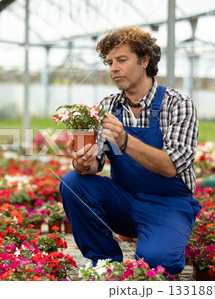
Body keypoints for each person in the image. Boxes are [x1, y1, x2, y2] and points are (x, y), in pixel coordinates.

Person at [59, 27, 202, 276]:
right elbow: (96, 163)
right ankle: (105, 262)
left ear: (144, 60)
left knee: (158, 263)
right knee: (73, 182)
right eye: (110, 62)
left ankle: (163, 240)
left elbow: (171, 166)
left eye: (121, 60)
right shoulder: (108, 106)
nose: (113, 68)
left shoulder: (177, 103)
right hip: (124, 201)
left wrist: (125, 140)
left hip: (168, 204)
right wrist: (83, 162)